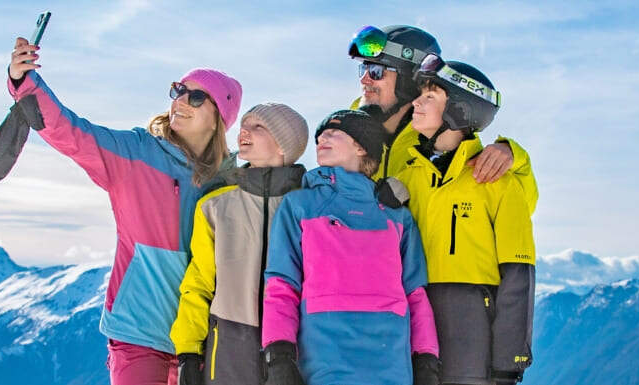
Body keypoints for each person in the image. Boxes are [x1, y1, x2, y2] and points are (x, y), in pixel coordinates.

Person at [5, 37, 240, 385]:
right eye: (177, 90)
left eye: (195, 96)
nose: (179, 101)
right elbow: (73, 132)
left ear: (219, 117)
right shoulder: (135, 154)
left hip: (202, 341)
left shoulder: (232, 184)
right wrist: (25, 83)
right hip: (137, 333)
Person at [260, 110, 440, 385]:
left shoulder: (396, 216)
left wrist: (426, 359)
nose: (322, 139)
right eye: (319, 136)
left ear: (360, 146)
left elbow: (415, 294)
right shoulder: (299, 206)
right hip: (323, 355)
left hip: (390, 358)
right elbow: (282, 286)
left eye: (333, 133)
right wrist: (279, 354)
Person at [394, 55, 535, 385]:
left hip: (472, 334)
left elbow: (518, 275)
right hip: (412, 326)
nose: (416, 102)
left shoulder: (499, 182)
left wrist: (509, 363)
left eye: (430, 96)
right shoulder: (405, 181)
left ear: (458, 109)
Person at [170, 103, 311, 385]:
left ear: (284, 144)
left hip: (294, 346)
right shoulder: (215, 206)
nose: (244, 130)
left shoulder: (309, 205)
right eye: (244, 124)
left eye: (258, 126)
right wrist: (188, 352)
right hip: (229, 349)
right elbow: (199, 282)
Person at [344, 25, 533, 190]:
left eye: (376, 72)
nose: (364, 79)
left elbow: (513, 201)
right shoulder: (344, 131)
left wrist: (513, 158)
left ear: (408, 82)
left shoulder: (441, 140)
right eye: (363, 69)